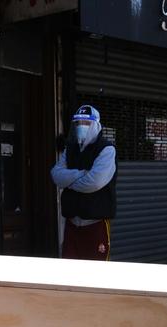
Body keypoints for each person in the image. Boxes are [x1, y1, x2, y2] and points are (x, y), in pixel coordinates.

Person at [50, 105, 117, 260]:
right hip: (72, 224)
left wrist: (68, 181)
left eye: (86, 123)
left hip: (95, 224)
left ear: (96, 125)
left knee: (95, 275)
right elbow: (56, 175)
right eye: (79, 123)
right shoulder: (70, 148)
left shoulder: (106, 149)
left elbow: (94, 182)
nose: (81, 127)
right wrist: (82, 174)